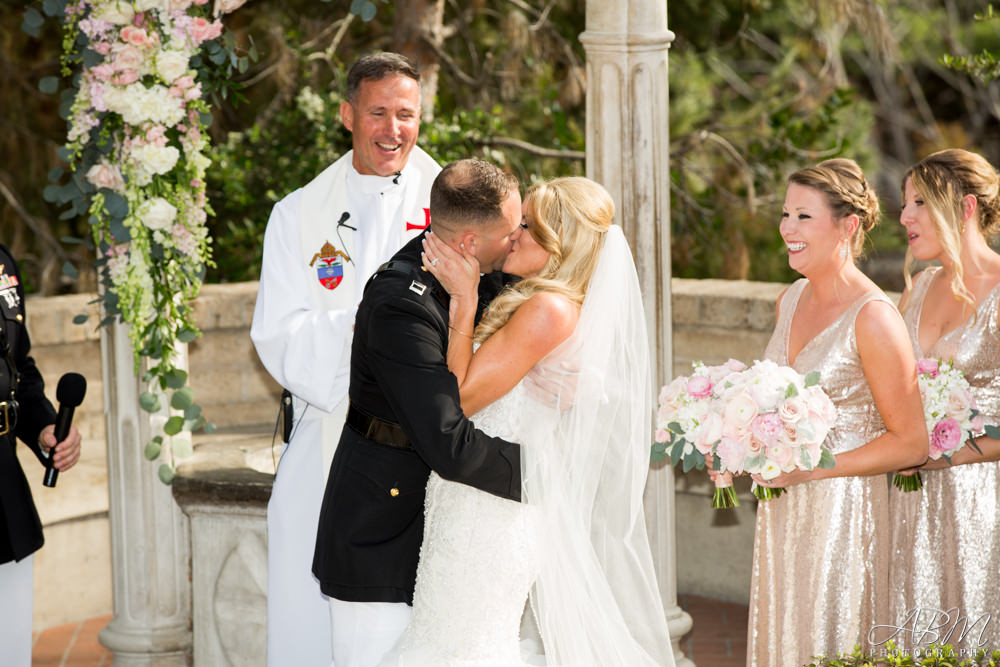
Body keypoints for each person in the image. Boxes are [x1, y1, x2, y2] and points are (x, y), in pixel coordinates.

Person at [381, 176, 675, 665]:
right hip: (475, 497)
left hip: (488, 512)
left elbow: (459, 402)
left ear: (561, 245)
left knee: (461, 647)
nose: (514, 233)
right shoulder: (544, 301)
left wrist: (464, 301)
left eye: (530, 227)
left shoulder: (547, 309)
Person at [249, 52, 440, 667]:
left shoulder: (454, 204)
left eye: (405, 114)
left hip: (431, 443)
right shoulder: (297, 215)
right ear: (347, 114)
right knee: (310, 610)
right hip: (331, 434)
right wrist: (368, 325)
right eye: (378, 112)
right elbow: (278, 334)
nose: (393, 130)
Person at [311, 159, 525, 667]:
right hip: (380, 533)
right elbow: (447, 441)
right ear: (470, 243)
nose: (518, 239)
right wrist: (546, 472)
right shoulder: (399, 306)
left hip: (441, 537)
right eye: (513, 231)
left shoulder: (485, 278)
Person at [747, 159, 928, 666]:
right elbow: (767, 403)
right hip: (783, 511)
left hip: (846, 520)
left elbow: (913, 442)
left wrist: (816, 468)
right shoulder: (791, 298)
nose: (787, 228)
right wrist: (735, 445)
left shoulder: (873, 317)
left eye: (804, 217)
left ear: (848, 226)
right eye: (785, 214)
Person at [888, 148, 1000, 650]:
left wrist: (932, 455)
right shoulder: (917, 287)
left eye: (920, 203)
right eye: (905, 203)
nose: (904, 216)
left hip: (983, 504)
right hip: (910, 504)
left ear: (966, 207)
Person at [0, 244, 82, 666]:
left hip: (4, 499)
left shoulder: (3, 261)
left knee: (10, 649)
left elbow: (18, 368)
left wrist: (45, 428)